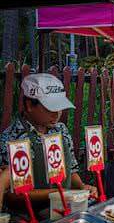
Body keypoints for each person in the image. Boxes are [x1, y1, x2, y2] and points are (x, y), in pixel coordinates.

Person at [0, 74, 97, 215]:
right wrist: (56, 193)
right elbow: (11, 196)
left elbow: (71, 170)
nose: (57, 113)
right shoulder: (13, 139)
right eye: (50, 108)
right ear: (29, 105)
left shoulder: (60, 129)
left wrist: (82, 187)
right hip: (30, 219)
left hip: (65, 210)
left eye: (60, 107)